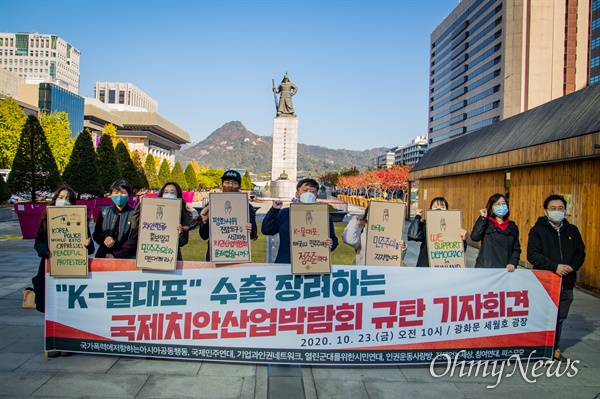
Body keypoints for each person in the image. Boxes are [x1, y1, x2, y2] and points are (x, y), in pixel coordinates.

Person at [32, 185, 94, 357]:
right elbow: (37, 243)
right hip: (50, 269)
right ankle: (52, 344)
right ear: (55, 198)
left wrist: (87, 244)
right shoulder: (47, 219)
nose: (63, 200)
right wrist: (45, 251)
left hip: (71, 271)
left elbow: (90, 249)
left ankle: (66, 343)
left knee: (67, 309)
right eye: (61, 197)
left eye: (67, 198)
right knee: (52, 308)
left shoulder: (79, 220)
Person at [527, 194, 585, 363]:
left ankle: (554, 348)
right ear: (546, 211)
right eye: (553, 209)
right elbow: (533, 255)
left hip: (566, 282)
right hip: (545, 281)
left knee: (559, 317)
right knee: (543, 315)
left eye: (560, 208)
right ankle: (538, 348)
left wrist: (571, 267)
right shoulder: (538, 230)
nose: (557, 212)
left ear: (565, 211)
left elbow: (580, 252)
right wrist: (555, 267)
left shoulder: (572, 231)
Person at [261, 178, 338, 264]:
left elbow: (333, 239)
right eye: (305, 190)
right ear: (297, 194)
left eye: (312, 191)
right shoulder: (285, 214)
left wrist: (332, 243)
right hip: (285, 263)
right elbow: (267, 230)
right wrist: (274, 210)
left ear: (316, 196)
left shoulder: (324, 216)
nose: (308, 194)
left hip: (314, 263)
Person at [198, 170, 258, 261]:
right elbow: (204, 235)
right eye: (227, 182)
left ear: (240, 186)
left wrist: (250, 229)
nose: (230, 186)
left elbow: (253, 233)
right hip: (216, 252)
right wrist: (205, 222)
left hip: (239, 253)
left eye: (234, 183)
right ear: (221, 184)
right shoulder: (212, 206)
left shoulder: (246, 207)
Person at [128, 182, 193, 261]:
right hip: (150, 255)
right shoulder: (152, 210)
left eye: (172, 192)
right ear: (162, 194)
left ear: (178, 195)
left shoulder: (182, 215)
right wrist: (140, 206)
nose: (168, 194)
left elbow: (183, 241)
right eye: (166, 192)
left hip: (171, 258)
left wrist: (180, 233)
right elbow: (135, 225)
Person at [407, 197, 467, 267]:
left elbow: (459, 251)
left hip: (445, 266)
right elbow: (413, 235)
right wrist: (417, 217)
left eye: (442, 206)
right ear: (430, 210)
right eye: (435, 207)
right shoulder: (425, 225)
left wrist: (463, 240)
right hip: (426, 265)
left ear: (447, 210)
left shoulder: (453, 227)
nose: (439, 208)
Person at [470, 193, 520, 271]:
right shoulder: (486, 223)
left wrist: (512, 263)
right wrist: (482, 218)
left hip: (504, 270)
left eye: (503, 204)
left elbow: (516, 249)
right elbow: (475, 237)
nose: (501, 206)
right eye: (497, 204)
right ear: (491, 208)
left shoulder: (512, 227)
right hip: (485, 268)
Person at [342, 205, 407, 265]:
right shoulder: (362, 232)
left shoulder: (391, 235)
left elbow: (396, 258)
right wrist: (354, 222)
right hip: (362, 271)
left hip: (381, 273)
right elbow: (349, 240)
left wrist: (402, 248)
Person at [93, 179, 136, 259]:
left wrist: (116, 255)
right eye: (116, 193)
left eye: (123, 193)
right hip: (104, 256)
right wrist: (104, 238)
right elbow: (96, 234)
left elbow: (134, 239)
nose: (119, 196)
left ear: (128, 195)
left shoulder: (134, 214)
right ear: (111, 194)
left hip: (127, 258)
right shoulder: (104, 212)